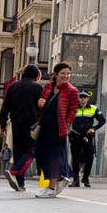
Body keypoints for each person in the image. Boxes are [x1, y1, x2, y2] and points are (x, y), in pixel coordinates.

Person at [34, 63, 79, 198]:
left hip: (59, 127)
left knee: (54, 156)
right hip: (45, 126)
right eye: (63, 73)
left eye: (68, 73)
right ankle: (62, 175)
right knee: (41, 154)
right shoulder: (48, 86)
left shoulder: (72, 90)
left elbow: (73, 110)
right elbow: (42, 103)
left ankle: (51, 187)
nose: (66, 76)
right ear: (56, 74)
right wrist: (41, 102)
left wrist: (67, 123)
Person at [0, 64, 43, 192]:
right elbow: (42, 108)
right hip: (31, 126)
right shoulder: (37, 87)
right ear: (37, 75)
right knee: (31, 151)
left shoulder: (13, 86)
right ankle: (15, 170)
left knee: (18, 151)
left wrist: (3, 125)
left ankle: (20, 183)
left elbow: (5, 107)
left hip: (16, 124)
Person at [68, 90, 106, 187]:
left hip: (88, 136)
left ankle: (85, 178)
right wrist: (68, 129)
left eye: (85, 97)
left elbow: (102, 120)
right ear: (78, 98)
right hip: (75, 136)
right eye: (81, 97)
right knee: (75, 158)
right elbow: (66, 119)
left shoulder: (93, 108)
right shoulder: (73, 108)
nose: (82, 99)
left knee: (90, 157)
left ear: (88, 99)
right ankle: (75, 180)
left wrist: (94, 128)